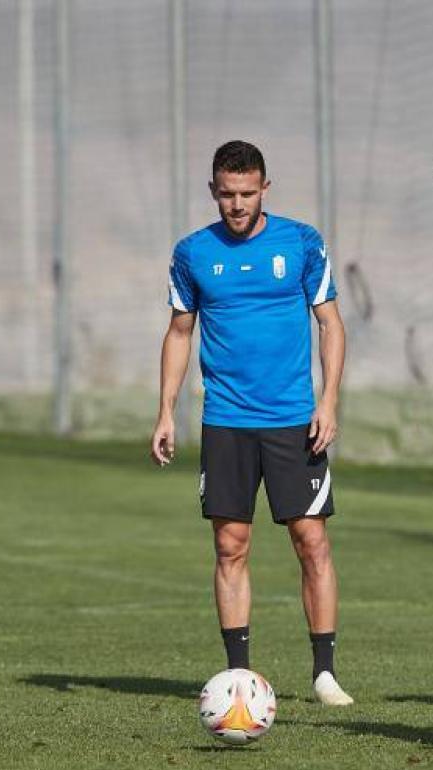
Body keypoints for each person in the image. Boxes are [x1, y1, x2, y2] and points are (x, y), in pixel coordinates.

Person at [151, 140, 352, 706]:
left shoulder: (302, 242)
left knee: (311, 540)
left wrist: (329, 400)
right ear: (212, 191)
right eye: (227, 194)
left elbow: (330, 325)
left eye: (247, 193)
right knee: (230, 544)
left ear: (266, 188)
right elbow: (179, 333)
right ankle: (239, 673)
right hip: (227, 422)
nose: (237, 204)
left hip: (293, 419)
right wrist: (166, 410)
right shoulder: (192, 253)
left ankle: (324, 673)